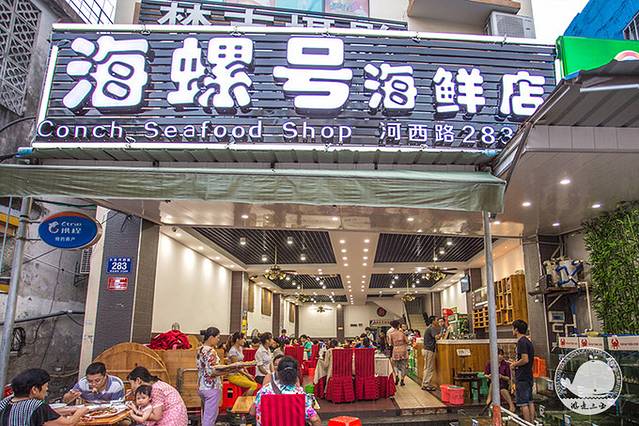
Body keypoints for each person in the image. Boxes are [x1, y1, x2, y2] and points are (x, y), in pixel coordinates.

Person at [0, 368, 89, 425]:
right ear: (34, 389)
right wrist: (82, 410)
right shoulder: (36, 405)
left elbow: (44, 415)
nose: (47, 389)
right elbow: (68, 423)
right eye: (45, 386)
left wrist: (69, 410)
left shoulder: (5, 402)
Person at [250, 357, 321, 426]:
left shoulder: (264, 391)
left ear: (278, 373)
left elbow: (252, 412)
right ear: (296, 374)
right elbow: (315, 420)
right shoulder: (300, 394)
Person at [195, 326, 229, 426]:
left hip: (201, 386)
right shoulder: (210, 351)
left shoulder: (200, 349)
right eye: (217, 337)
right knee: (209, 419)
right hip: (211, 387)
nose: (218, 340)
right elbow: (212, 371)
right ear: (211, 337)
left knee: (206, 416)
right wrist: (228, 371)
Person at [511, 320, 535, 422]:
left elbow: (525, 359)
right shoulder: (528, 341)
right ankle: (531, 422)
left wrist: (514, 364)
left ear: (516, 329)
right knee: (530, 401)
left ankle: (527, 423)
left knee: (523, 403)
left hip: (522, 376)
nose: (512, 330)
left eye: (513, 328)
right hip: (528, 375)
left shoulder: (521, 342)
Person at [226, 332, 259, 396]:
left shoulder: (240, 348)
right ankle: (243, 399)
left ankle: (243, 398)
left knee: (255, 383)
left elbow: (241, 363)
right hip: (233, 375)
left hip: (240, 374)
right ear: (237, 340)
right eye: (243, 339)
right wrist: (247, 375)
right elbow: (236, 367)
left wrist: (247, 372)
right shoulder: (233, 351)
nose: (245, 341)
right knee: (254, 385)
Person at [421, 316, 440, 391]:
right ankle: (426, 384)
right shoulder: (432, 328)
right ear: (433, 321)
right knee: (429, 368)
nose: (438, 321)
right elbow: (436, 337)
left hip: (426, 349)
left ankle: (425, 383)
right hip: (429, 350)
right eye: (437, 320)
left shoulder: (429, 327)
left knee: (427, 367)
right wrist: (443, 333)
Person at [388, 320, 409, 386]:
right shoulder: (402, 333)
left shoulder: (391, 334)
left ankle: (396, 375)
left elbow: (390, 343)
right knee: (403, 365)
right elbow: (407, 341)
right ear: (398, 325)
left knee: (395, 365)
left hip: (395, 349)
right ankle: (402, 380)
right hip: (403, 349)